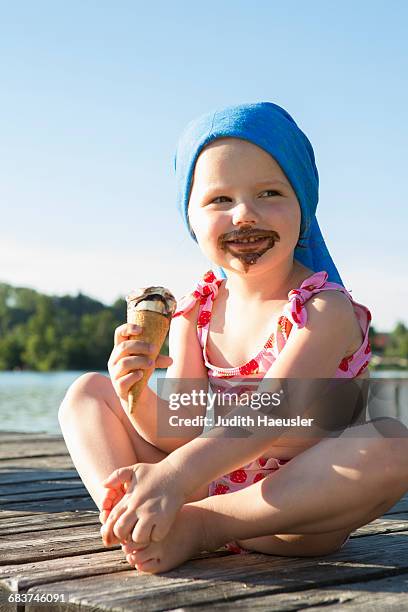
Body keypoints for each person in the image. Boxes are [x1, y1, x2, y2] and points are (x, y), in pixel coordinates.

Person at [59, 102, 408, 574]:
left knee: (392, 443)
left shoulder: (322, 309)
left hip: (285, 513)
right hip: (190, 485)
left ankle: (200, 527)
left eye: (269, 193)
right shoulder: (195, 310)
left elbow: (271, 413)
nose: (244, 214)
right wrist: (136, 391)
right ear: (191, 218)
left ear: (303, 207)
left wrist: (174, 478)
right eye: (219, 200)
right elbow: (179, 429)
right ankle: (135, 517)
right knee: (87, 392)